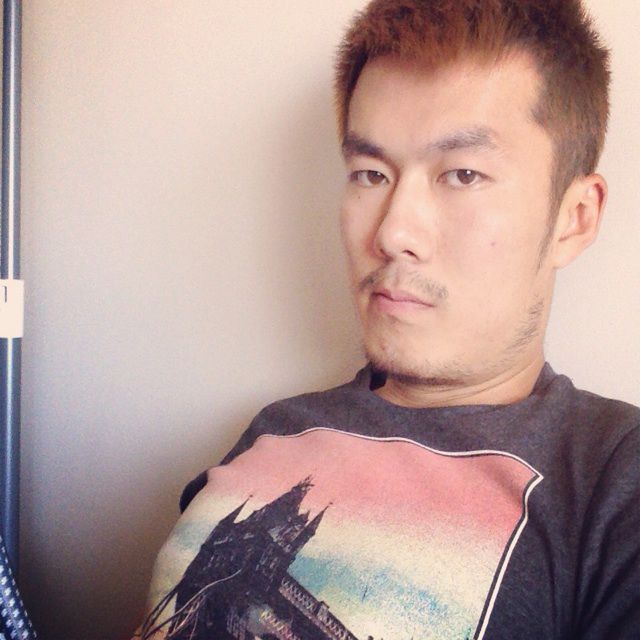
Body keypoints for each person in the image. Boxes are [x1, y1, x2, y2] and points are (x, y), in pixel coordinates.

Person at [134, 1, 639, 638]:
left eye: (463, 174)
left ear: (574, 218)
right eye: (371, 174)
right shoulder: (272, 431)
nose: (393, 232)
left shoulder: (614, 479)